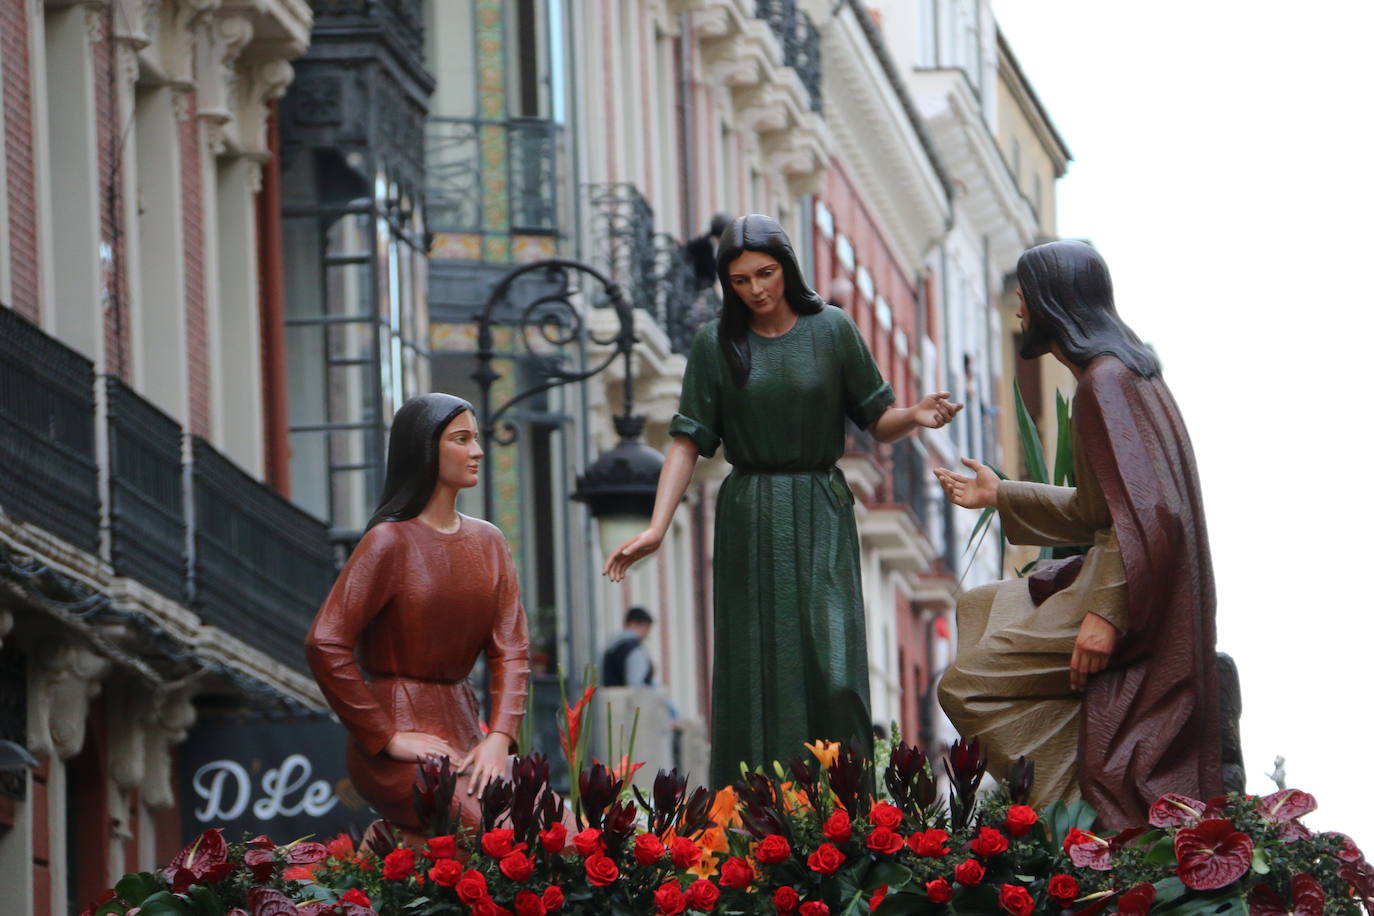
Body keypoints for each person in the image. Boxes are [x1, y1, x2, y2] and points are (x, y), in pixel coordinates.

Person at [604, 214, 961, 788]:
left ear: (788, 268)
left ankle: (844, 809)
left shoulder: (833, 331)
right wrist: (655, 526)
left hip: (820, 505)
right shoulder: (716, 344)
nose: (756, 290)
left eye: (766, 274)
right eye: (741, 281)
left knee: (835, 658)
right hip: (749, 510)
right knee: (755, 663)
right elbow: (686, 441)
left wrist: (915, 416)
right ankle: (756, 805)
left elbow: (876, 417)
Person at [933, 239, 1217, 829]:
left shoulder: (1105, 384)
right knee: (980, 607)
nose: (1018, 307)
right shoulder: (1117, 375)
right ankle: (1071, 790)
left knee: (965, 688)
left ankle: (1080, 827)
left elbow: (1152, 512)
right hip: (1127, 577)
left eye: (1026, 295)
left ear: (1053, 303)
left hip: (1133, 597)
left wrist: (1106, 615)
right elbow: (1099, 507)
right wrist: (999, 494)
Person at [305, 393, 529, 836]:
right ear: (426, 449)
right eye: (461, 439)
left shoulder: (489, 542)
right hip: (400, 746)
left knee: (554, 820)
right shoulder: (388, 542)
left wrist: (499, 739)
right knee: (496, 830)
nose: (478, 452)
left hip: (468, 732)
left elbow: (512, 650)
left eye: (476, 439)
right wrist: (386, 736)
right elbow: (325, 642)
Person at [601, 606, 655, 687]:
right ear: (632, 624)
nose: (647, 634)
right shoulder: (633, 649)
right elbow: (636, 684)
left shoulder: (612, 646)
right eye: (646, 628)